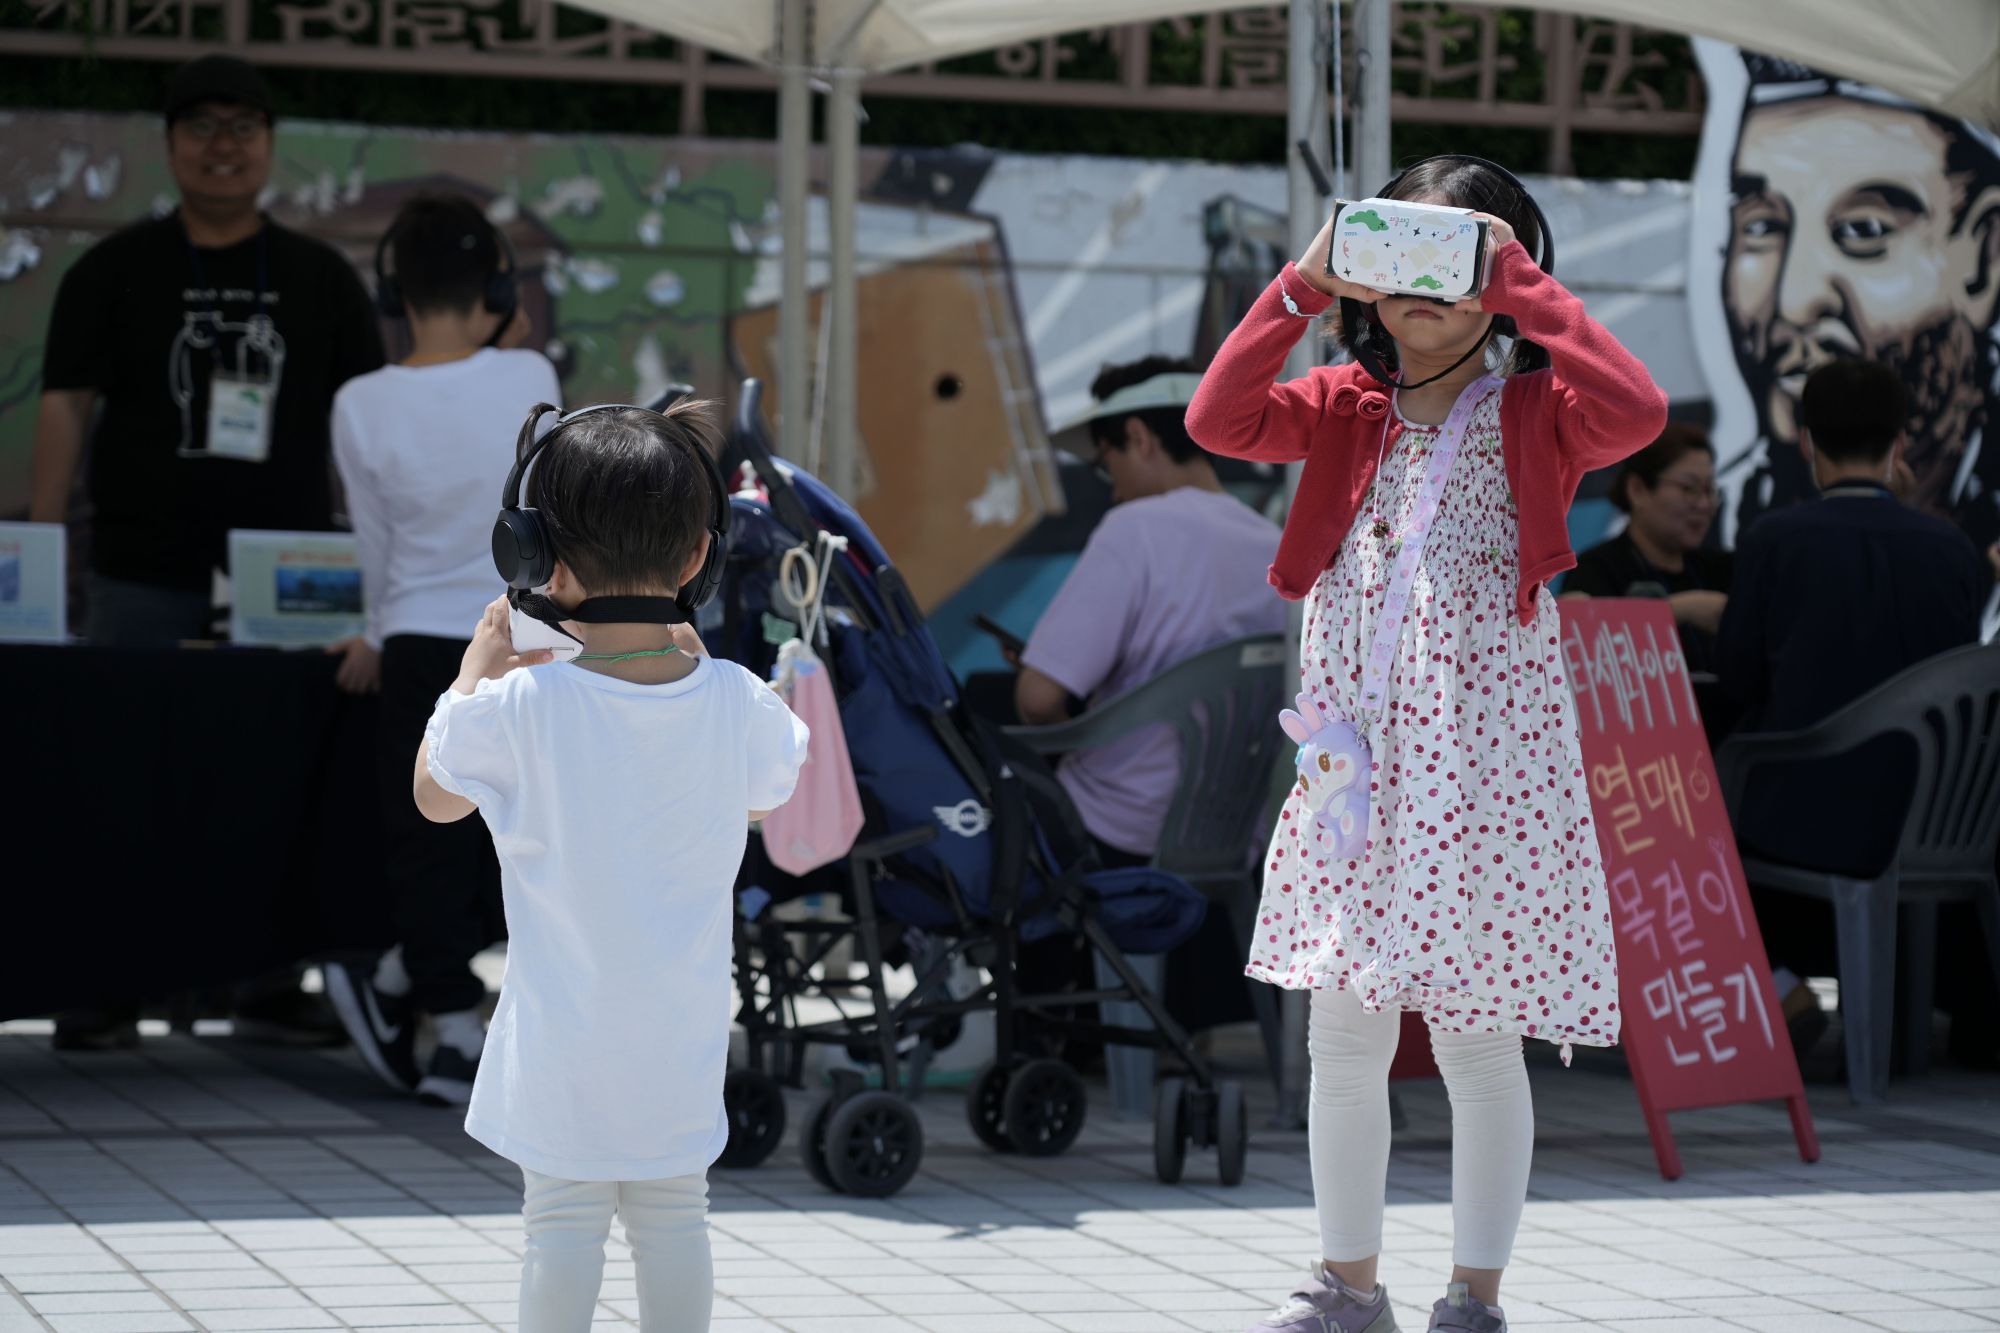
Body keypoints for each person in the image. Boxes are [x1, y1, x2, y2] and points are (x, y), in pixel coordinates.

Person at [1188, 155, 1665, 1333]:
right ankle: (1346, 1286)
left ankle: (1474, 1295)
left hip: (1486, 771)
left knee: (1475, 1037)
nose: (1425, 280)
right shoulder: (1340, 403)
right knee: (1343, 1031)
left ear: (1502, 270)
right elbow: (1216, 419)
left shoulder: (1535, 411)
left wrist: (1520, 289)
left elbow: (1636, 411)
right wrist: (1301, 284)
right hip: (1359, 762)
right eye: (1400, 248)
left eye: (1457, 254)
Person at [413, 398, 808, 1333]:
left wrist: (475, 671)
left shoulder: (519, 706)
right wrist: (696, 659)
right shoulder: (737, 702)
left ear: (535, 560)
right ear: (698, 559)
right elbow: (765, 796)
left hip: (562, 1041)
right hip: (679, 1038)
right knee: (675, 1217)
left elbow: (435, 796)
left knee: (561, 1224)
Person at [27, 53, 384, 1051]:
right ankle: (102, 986)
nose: (223, 146)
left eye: (243, 127)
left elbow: (364, 431)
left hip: (289, 575)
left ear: (269, 145)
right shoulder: (112, 270)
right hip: (138, 566)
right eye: (202, 126)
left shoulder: (319, 278)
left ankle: (267, 985)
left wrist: (372, 566)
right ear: (170, 144)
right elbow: (64, 410)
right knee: (116, 775)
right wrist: (42, 555)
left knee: (272, 775)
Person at [321, 192, 560, 1106]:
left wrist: (378, 632)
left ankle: (434, 1006)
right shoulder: (531, 370)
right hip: (525, 632)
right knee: (518, 829)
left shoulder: (359, 402)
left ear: (396, 297)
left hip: (420, 638)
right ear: (499, 291)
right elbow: (548, 513)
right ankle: (437, 1003)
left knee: (429, 831)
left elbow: (374, 545)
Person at [1716, 358, 1993, 1057]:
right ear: (1899, 443)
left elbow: (1736, 678)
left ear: (1807, 441)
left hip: (1801, 822)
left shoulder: (1774, 540)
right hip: (1937, 823)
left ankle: (1778, 982)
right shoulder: (1953, 550)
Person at [1007, 356, 1285, 1039]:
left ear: (1138, 436)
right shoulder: (1273, 543)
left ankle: (1039, 1027)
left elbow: (1038, 698)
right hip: (1236, 832)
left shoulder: (1133, 530)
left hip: (1116, 828)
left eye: (1105, 463)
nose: (1110, 486)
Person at [1711, 52, 2000, 556]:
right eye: (1762, 227)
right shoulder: (1719, 518)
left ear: (1982, 259)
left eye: (1863, 230)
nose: (1795, 303)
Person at [1562, 423, 1731, 669]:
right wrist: (1681, 610)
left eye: (1709, 490)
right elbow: (1586, 647)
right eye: (1689, 489)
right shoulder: (1598, 569)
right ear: (1637, 490)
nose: (1704, 504)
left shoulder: (1722, 569)